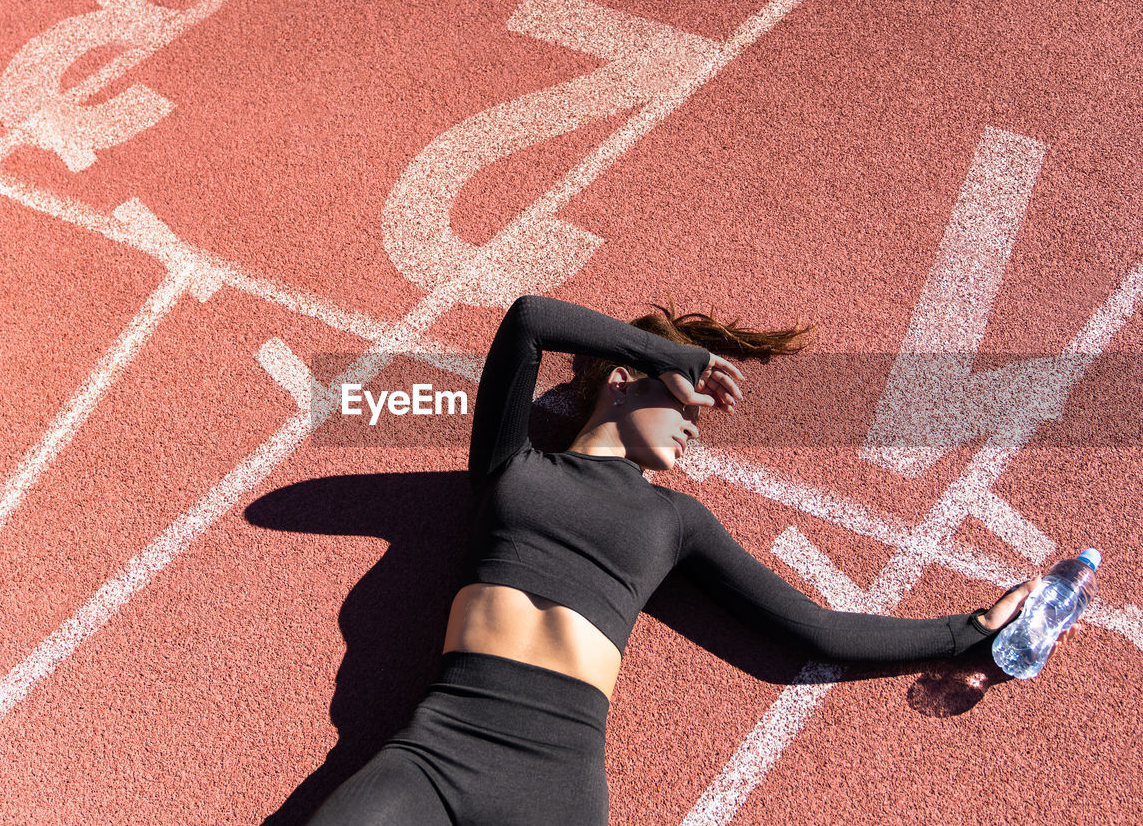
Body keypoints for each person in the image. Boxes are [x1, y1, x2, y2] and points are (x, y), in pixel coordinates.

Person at [304, 294, 1082, 826]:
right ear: (618, 381)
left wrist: (970, 628)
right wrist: (667, 351)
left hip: (554, 776)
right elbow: (530, 319)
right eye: (686, 403)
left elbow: (811, 628)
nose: (696, 425)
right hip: (437, 746)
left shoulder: (675, 521)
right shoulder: (512, 465)